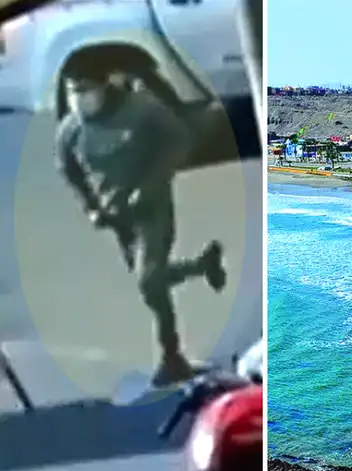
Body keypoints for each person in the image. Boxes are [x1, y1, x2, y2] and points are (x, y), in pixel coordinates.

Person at [55, 56, 227, 386]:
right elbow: (68, 169)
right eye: (73, 91)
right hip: (115, 216)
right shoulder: (72, 129)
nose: (79, 97)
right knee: (149, 281)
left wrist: (151, 184)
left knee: (149, 282)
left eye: (86, 89)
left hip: (151, 208)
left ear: (105, 86)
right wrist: (90, 206)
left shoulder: (141, 109)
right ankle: (203, 265)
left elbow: (179, 139)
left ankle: (171, 355)